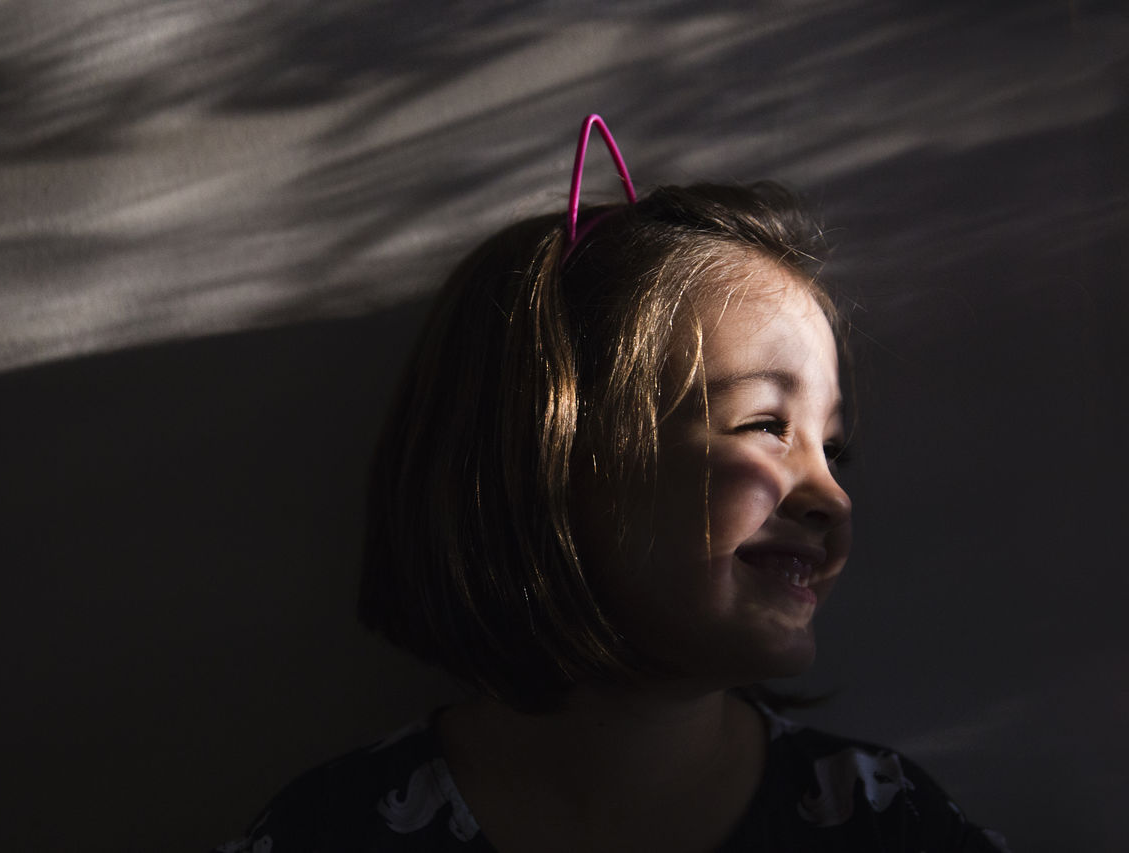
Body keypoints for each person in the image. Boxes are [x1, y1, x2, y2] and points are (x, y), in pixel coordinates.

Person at [216, 116, 1010, 852]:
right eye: (768, 425)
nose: (829, 495)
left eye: (835, 449)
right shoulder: (333, 832)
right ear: (554, 454)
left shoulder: (887, 823)